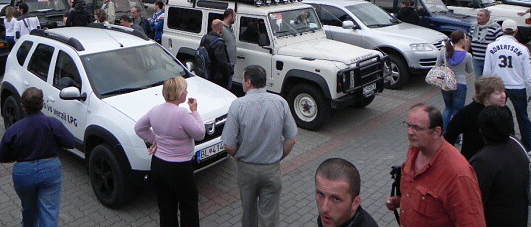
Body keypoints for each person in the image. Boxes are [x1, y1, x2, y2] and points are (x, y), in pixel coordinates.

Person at [222, 65, 298, 227]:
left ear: (248, 82)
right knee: (269, 216)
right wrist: (278, 156)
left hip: (246, 170)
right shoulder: (281, 102)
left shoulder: (238, 105)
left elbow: (228, 145)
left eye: (243, 79)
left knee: (248, 214)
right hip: (271, 169)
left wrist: (238, 155)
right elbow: (291, 139)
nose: (242, 82)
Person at [385, 103, 485, 226]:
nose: (410, 132)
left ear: (436, 132)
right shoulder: (415, 149)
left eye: (417, 128)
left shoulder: (458, 174)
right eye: (408, 125)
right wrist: (403, 201)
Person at [0, 87, 76, 227]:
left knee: (29, 209)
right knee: (49, 212)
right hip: (50, 170)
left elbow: (2, 157)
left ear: (22, 106)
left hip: (23, 173)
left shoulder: (14, 129)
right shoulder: (52, 123)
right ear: (42, 104)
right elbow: (70, 143)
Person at [134, 77, 205, 227]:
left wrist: (155, 140)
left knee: (166, 208)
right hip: (180, 168)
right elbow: (200, 134)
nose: (186, 92)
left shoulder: (155, 110)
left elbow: (139, 128)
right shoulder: (182, 114)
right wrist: (195, 112)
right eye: (185, 90)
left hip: (159, 165)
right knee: (188, 206)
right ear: (179, 94)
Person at [469, 105, 528, 227]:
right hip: (519, 216)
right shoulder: (517, 144)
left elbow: (475, 200)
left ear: (482, 130)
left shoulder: (482, 161)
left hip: (495, 220)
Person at [483, 18, 531, 151]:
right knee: (522, 116)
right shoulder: (522, 49)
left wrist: (484, 90)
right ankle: (528, 145)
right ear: (516, 31)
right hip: (518, 86)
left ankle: (496, 140)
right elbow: (528, 75)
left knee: (494, 113)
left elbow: (487, 71)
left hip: (497, 86)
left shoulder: (491, 47)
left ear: (501, 30)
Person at [444, 76, 511, 159]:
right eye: (498, 93)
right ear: (485, 97)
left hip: (500, 160)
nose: (504, 95)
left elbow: (511, 136)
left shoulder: (505, 110)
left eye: (503, 91)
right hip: (474, 162)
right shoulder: (467, 113)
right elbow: (449, 137)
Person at [314, 158, 378, 227]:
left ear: (355, 203)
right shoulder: (331, 218)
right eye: (321, 194)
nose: (324, 208)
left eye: (336, 199)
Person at [436, 30, 473, 131]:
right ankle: (454, 135)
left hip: (445, 83)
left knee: (448, 108)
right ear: (461, 40)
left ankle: (442, 132)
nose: (466, 40)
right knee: (457, 111)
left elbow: (437, 65)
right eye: (465, 38)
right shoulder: (467, 55)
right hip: (460, 84)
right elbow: (470, 70)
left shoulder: (444, 51)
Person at [467, 9, 502, 78]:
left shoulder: (495, 27)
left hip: (489, 60)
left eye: (481, 15)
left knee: (487, 80)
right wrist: (466, 52)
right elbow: (469, 39)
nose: (478, 17)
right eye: (477, 15)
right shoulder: (474, 26)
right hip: (476, 59)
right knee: (478, 80)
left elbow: (500, 42)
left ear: (487, 17)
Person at [199, 19, 233, 89]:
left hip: (207, 73)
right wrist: (229, 72)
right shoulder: (219, 42)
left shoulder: (205, 38)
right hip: (218, 77)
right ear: (221, 28)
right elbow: (223, 62)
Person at [221, 8, 237, 89]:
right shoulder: (221, 29)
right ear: (230, 16)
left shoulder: (230, 28)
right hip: (226, 62)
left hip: (231, 61)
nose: (235, 18)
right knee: (226, 84)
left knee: (229, 82)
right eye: (234, 16)